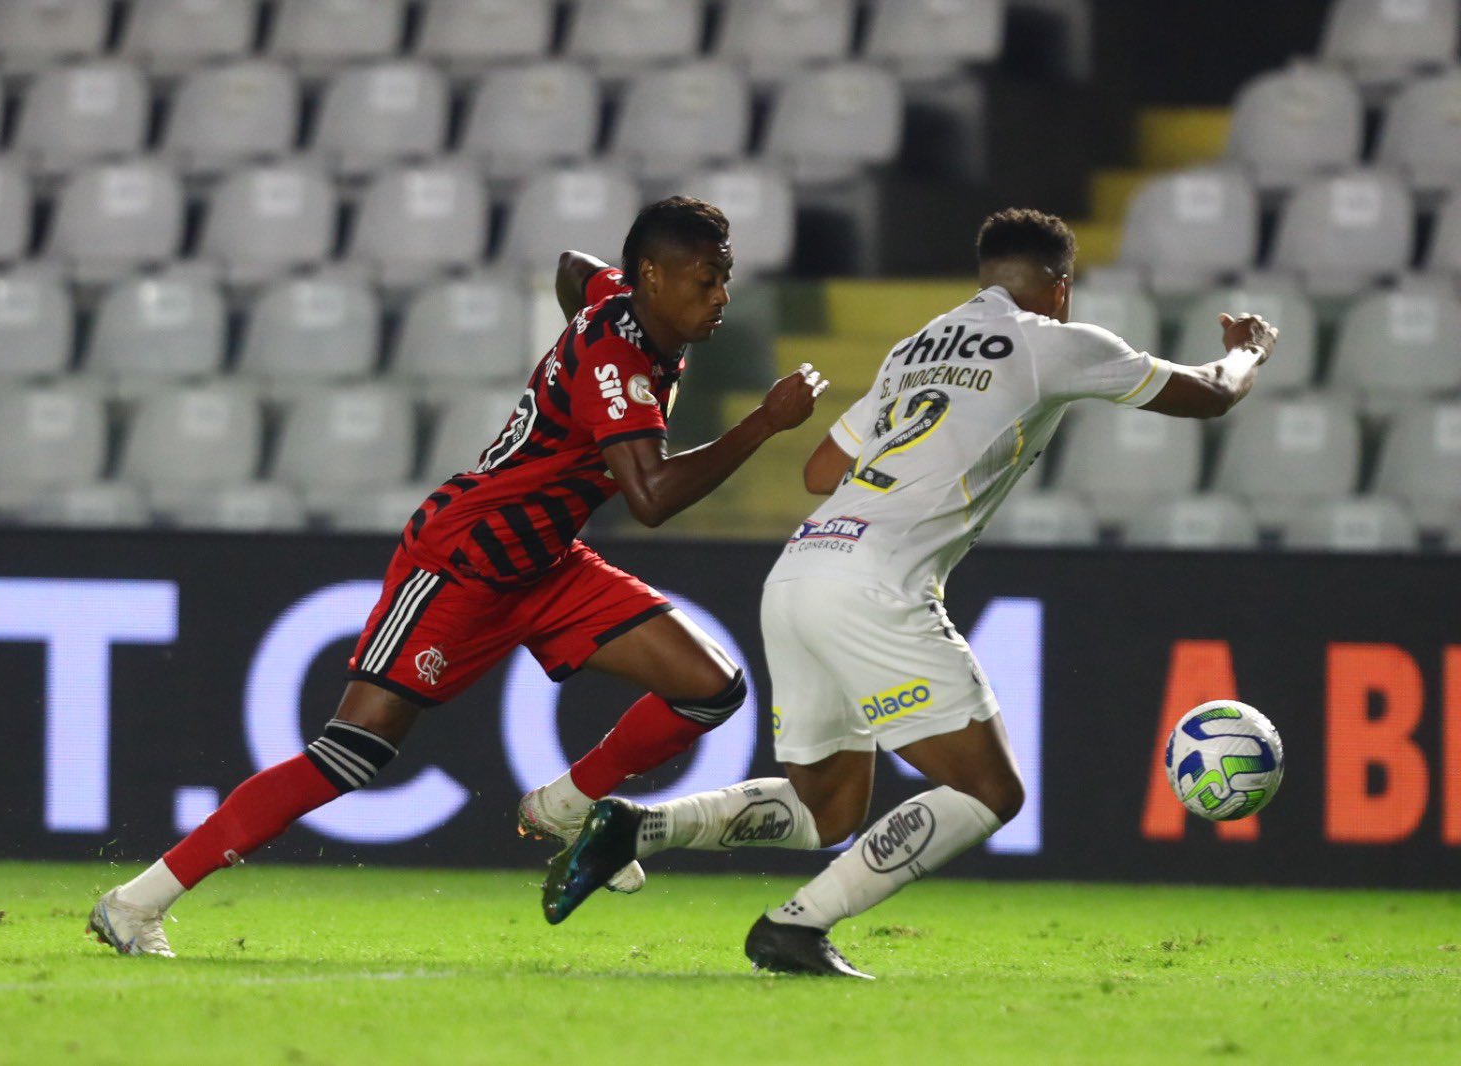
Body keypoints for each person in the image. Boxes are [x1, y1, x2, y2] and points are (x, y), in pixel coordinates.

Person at [540, 207, 1279, 978]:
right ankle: (797, 925)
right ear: (1060, 291)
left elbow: (821, 470)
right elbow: (1211, 394)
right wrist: (1247, 351)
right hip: (876, 585)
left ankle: (636, 828)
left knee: (825, 809)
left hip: (801, 569)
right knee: (990, 790)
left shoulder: (915, 348)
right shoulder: (1055, 345)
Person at [89, 196, 830, 957]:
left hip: (545, 562)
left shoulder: (619, 302)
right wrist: (764, 423)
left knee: (711, 687)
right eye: (707, 279)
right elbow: (650, 499)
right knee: (354, 750)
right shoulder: (617, 359)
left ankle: (568, 805)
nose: (721, 296)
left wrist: (582, 326)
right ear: (653, 275)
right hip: (465, 559)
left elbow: (572, 268)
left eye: (724, 278)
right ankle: (136, 902)